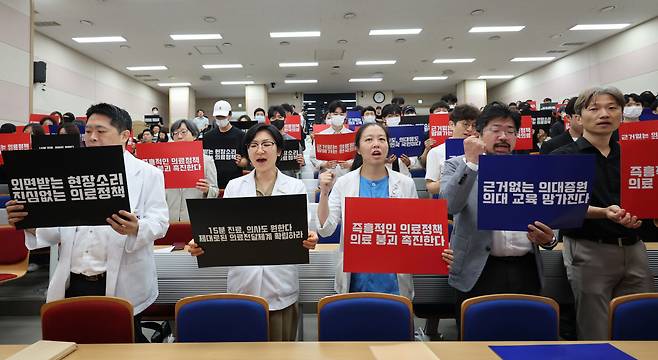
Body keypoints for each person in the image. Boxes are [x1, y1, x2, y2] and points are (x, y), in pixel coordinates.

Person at [5, 103, 169, 342]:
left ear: (125, 136)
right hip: (74, 278)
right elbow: (57, 230)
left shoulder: (147, 174)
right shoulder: (69, 169)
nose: (92, 137)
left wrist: (137, 228)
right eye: (88, 130)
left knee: (123, 345)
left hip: (123, 279)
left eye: (100, 131)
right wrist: (29, 222)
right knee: (75, 343)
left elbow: (160, 222)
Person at [188, 123, 318, 341]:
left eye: (267, 144)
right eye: (254, 145)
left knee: (280, 352)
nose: (260, 151)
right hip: (243, 284)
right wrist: (202, 242)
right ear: (247, 151)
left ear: (279, 150)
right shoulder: (234, 187)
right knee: (243, 350)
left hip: (280, 285)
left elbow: (300, 230)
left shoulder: (295, 188)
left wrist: (310, 237)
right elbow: (222, 230)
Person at [552, 86, 657, 340]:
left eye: (612, 108)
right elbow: (560, 206)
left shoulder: (636, 154)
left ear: (621, 114)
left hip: (634, 248)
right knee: (595, 327)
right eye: (594, 108)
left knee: (640, 323)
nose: (604, 114)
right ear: (578, 116)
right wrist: (604, 212)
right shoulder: (563, 157)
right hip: (589, 249)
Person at [440, 102, 557, 325]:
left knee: (525, 340)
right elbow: (448, 205)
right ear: (478, 133)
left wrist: (550, 239)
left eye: (510, 131)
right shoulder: (457, 166)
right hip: (478, 269)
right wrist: (472, 163)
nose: (503, 136)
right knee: (477, 342)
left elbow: (553, 218)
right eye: (495, 130)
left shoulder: (532, 168)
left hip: (525, 269)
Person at [318, 123, 443, 300]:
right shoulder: (344, 183)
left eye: (381, 139)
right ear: (358, 149)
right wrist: (324, 193)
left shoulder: (405, 183)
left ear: (388, 146)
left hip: (394, 281)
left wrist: (438, 250)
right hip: (355, 280)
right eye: (369, 140)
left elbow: (415, 233)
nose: (376, 144)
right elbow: (326, 228)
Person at [166, 119, 219, 221]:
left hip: (195, 217)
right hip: (169, 218)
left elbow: (215, 191)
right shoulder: (165, 161)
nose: (179, 136)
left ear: (194, 135)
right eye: (175, 133)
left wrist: (207, 190)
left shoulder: (206, 161)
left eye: (183, 132)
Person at [425, 104, 479, 195]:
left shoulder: (481, 151)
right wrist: (453, 180)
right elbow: (430, 187)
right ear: (451, 125)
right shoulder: (436, 152)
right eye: (465, 124)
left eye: (474, 125)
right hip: (447, 202)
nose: (470, 129)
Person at [202, 100, 249, 188]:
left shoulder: (241, 135)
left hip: (234, 183)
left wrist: (240, 162)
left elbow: (246, 160)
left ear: (230, 116)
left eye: (223, 116)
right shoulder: (208, 136)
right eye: (218, 117)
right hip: (213, 183)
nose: (220, 119)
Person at [310, 100, 353, 178]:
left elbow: (358, 157)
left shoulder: (352, 135)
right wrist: (324, 164)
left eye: (341, 114)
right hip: (326, 176)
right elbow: (313, 157)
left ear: (345, 115)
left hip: (346, 176)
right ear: (330, 114)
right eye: (335, 114)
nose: (338, 116)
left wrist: (350, 164)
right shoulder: (321, 135)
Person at [380, 104, 420, 177]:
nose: (393, 118)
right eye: (390, 116)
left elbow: (414, 160)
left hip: (404, 176)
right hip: (384, 176)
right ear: (383, 118)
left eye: (396, 115)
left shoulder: (407, 132)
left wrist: (409, 162)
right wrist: (385, 161)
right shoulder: (379, 134)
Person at [268, 105, 305, 177]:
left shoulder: (293, 141)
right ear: (269, 121)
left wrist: (300, 163)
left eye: (280, 117)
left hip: (289, 181)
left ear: (285, 119)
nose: (277, 119)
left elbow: (297, 169)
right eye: (273, 118)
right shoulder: (264, 141)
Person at [419, 101, 452, 167]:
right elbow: (422, 163)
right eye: (438, 111)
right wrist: (427, 149)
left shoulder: (454, 131)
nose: (441, 112)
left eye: (444, 111)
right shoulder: (426, 135)